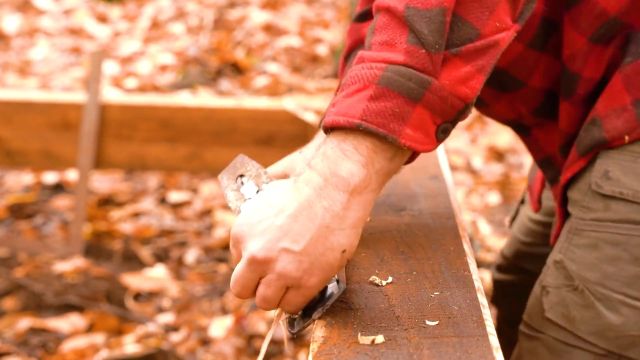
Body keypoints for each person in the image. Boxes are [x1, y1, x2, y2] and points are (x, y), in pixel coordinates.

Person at [228, 1, 640, 358]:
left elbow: (443, 13)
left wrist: (333, 184)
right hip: (596, 99)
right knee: (522, 280)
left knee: (573, 340)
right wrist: (326, 146)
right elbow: (386, 19)